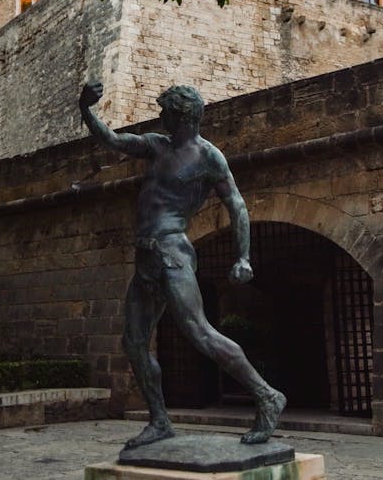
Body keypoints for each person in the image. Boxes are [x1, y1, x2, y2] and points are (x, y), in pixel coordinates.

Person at [79, 82, 286, 449]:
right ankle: (159, 421)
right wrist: (86, 109)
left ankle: (267, 395)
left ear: (182, 116)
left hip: (171, 250)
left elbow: (236, 204)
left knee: (199, 331)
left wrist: (243, 256)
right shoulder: (156, 145)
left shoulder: (209, 157)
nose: (160, 118)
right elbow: (112, 140)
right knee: (134, 342)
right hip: (145, 255)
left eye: (166, 113)